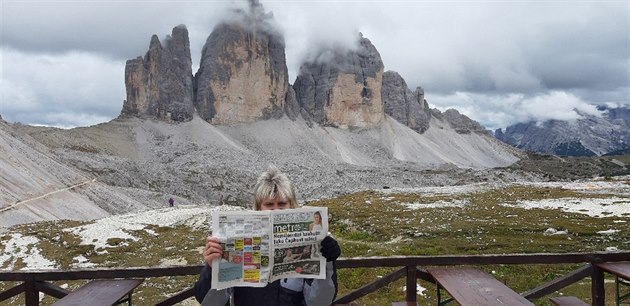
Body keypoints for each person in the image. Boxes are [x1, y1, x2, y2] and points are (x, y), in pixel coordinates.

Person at [195, 166, 341, 306]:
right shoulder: (234, 238)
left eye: (282, 203)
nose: (276, 210)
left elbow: (320, 302)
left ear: (291, 205)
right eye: (269, 204)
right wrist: (212, 268)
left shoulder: (311, 240)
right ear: (259, 208)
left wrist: (327, 263)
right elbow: (211, 303)